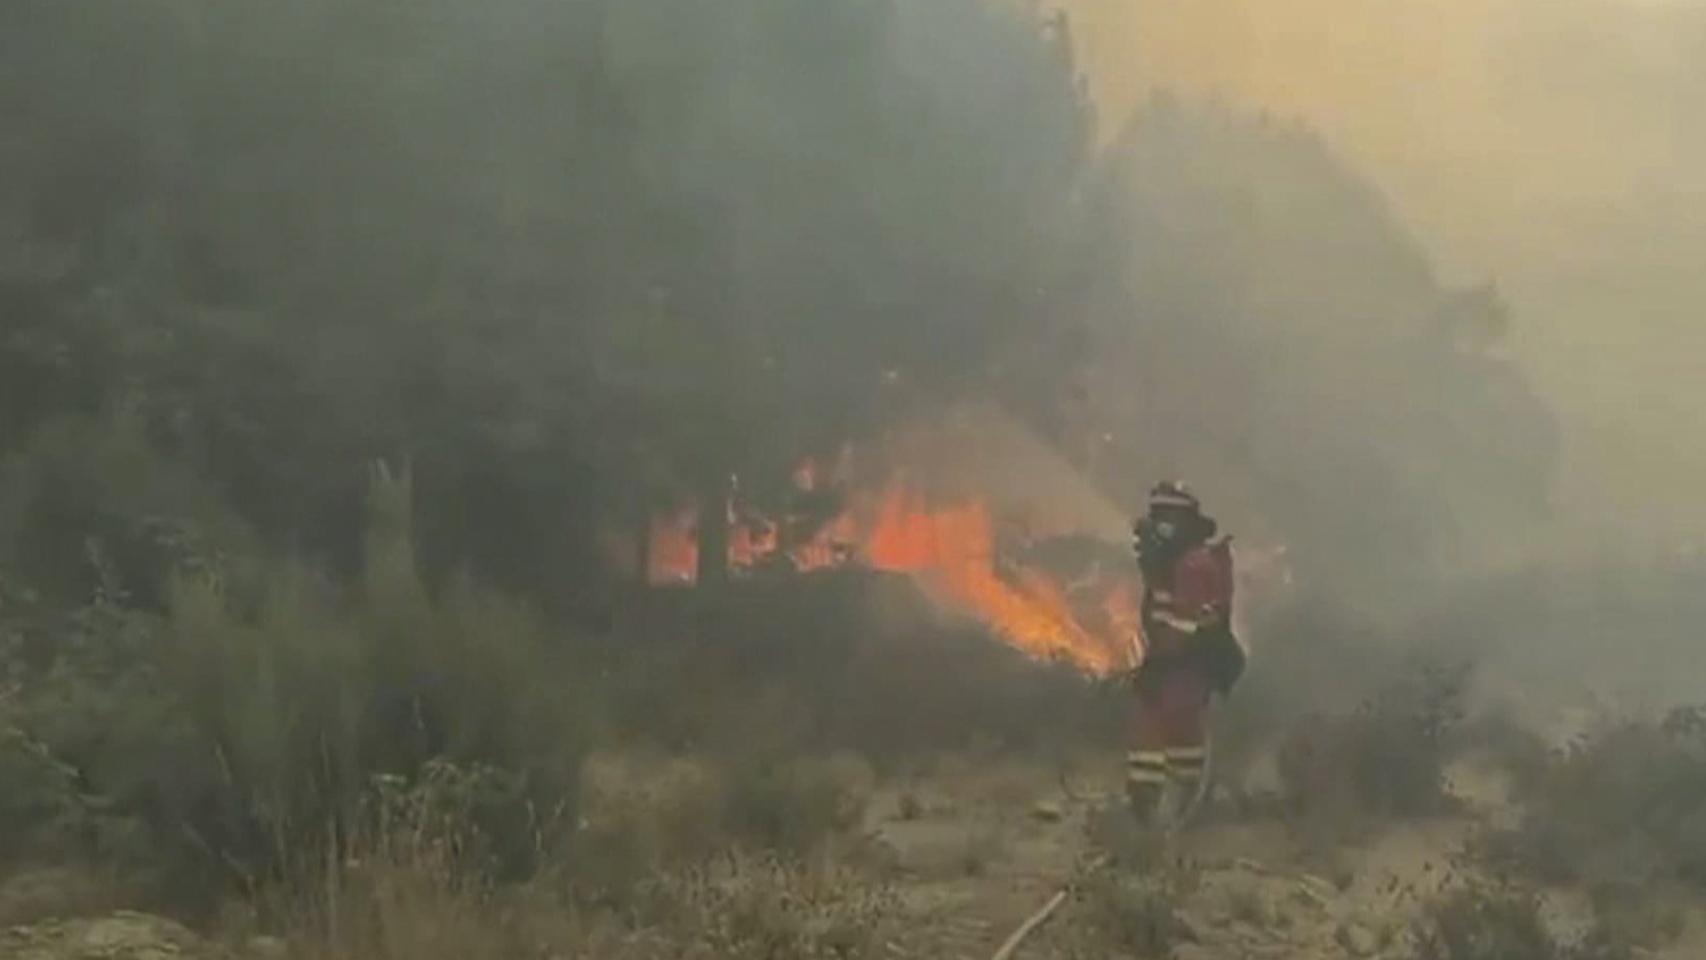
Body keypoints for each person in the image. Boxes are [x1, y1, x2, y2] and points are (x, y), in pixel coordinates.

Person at [1127, 481, 1245, 823]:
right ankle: (1178, 804)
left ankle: (1151, 807)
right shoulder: (1175, 564)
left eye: (1163, 518)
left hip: (1184, 664)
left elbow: (1187, 624)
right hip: (1181, 664)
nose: (1153, 526)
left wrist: (1160, 665)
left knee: (1155, 725)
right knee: (1179, 731)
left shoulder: (1193, 566)